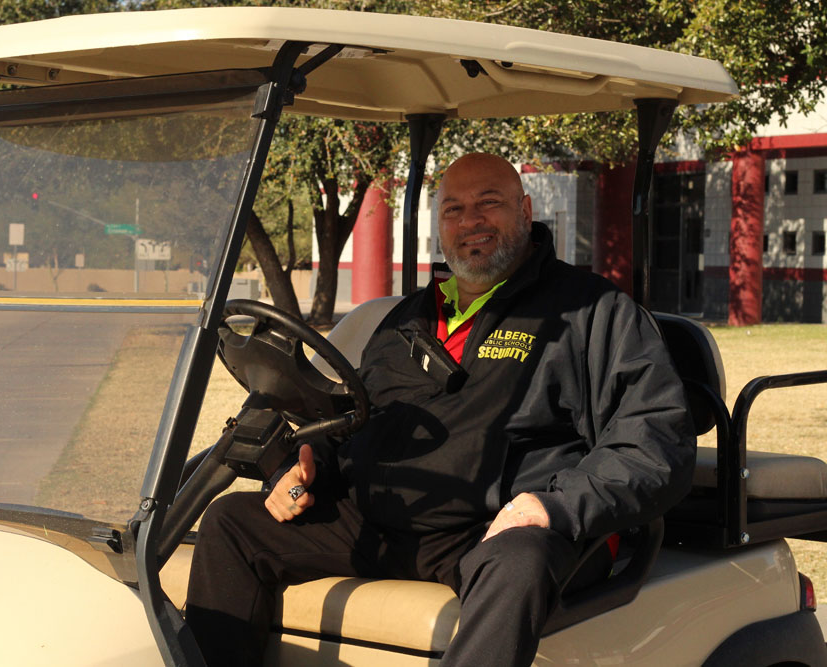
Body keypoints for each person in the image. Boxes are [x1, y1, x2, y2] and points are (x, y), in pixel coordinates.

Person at [185, 153, 696, 666]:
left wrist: (555, 506)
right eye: (453, 210)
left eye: (488, 203)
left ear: (525, 209)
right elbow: (355, 419)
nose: (470, 221)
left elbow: (654, 443)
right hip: (386, 520)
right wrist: (307, 460)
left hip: (495, 529)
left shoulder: (591, 312)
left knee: (521, 559)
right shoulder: (408, 318)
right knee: (231, 522)